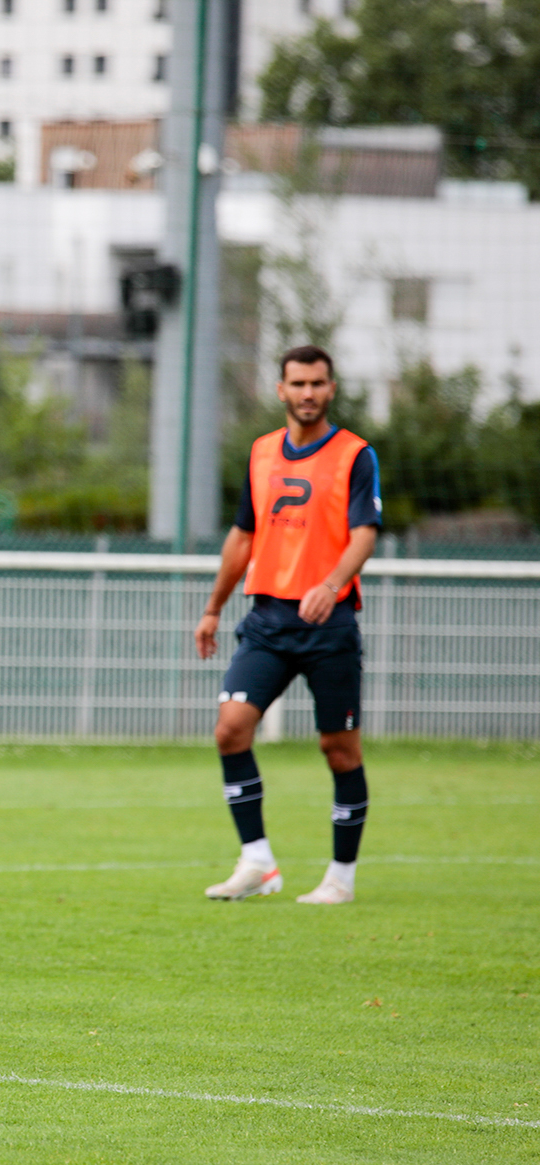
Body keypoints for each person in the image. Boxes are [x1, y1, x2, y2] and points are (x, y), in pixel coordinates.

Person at [194, 345, 382, 905]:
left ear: (330, 389)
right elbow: (242, 538)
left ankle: (340, 877)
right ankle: (257, 863)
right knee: (230, 728)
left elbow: (365, 533)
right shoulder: (260, 453)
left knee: (339, 749)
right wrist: (212, 608)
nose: (307, 393)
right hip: (268, 620)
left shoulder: (355, 455)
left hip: (329, 625)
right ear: (280, 389)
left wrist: (331, 585)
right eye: (297, 383)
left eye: (317, 384)